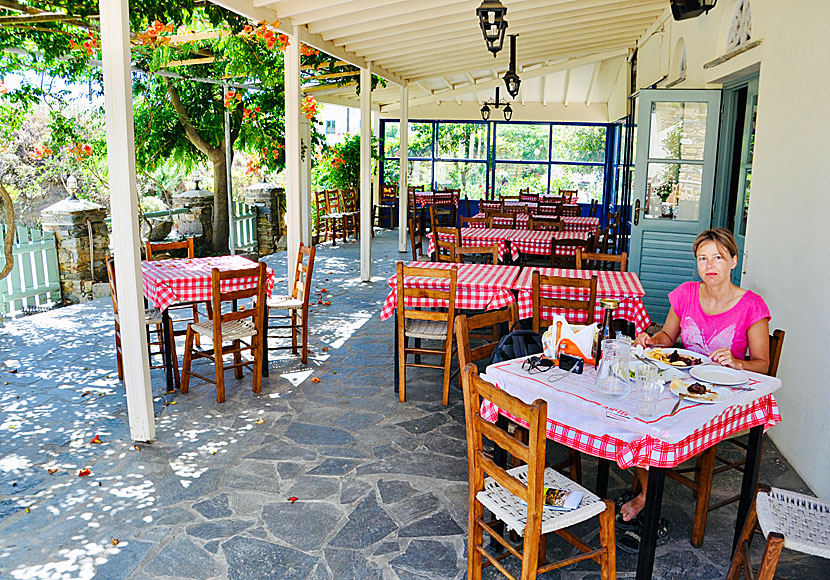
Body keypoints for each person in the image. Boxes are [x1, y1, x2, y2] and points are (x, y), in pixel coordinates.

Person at [620, 228, 771, 523]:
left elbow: (763, 365)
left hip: (721, 397)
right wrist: (650, 340)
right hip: (683, 385)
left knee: (654, 422)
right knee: (639, 413)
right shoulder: (687, 293)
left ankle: (648, 490)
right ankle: (649, 491)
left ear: (733, 261)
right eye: (703, 258)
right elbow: (667, 335)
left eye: (718, 257)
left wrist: (738, 363)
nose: (709, 265)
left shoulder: (752, 305)